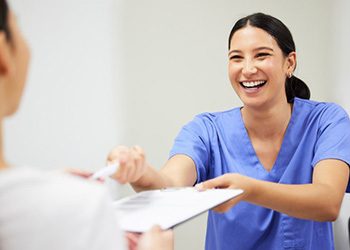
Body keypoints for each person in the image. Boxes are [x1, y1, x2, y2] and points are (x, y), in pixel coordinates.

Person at [106, 13, 350, 250]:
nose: (248, 69)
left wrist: (249, 189)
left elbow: (327, 202)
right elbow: (169, 187)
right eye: (236, 58)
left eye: (261, 55)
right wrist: (139, 173)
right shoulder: (206, 130)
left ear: (290, 62)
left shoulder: (326, 121)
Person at [0, 1, 173, 250]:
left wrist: (45, 184)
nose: (249, 69)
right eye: (18, 26)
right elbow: (178, 184)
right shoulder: (80, 208)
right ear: (4, 53)